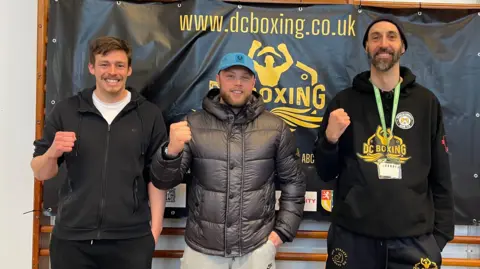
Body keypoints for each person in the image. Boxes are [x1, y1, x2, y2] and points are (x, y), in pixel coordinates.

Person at [314, 16, 454, 269]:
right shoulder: (343, 102)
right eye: (375, 37)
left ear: (403, 47)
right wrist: (329, 140)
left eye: (391, 36)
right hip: (353, 239)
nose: (383, 43)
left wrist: (440, 236)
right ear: (366, 47)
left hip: (414, 241)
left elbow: (441, 173)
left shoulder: (426, 102)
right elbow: (325, 172)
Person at [150, 52, 307, 269]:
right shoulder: (193, 124)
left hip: (256, 248)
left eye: (244, 77)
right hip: (202, 250)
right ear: (218, 79)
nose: (237, 83)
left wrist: (280, 234)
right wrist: (170, 152)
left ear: (254, 81)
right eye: (230, 76)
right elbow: (163, 182)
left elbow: (294, 184)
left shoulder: (276, 127)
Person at [31, 36, 168, 269]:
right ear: (92, 68)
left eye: (119, 65)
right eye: (104, 64)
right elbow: (41, 172)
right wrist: (52, 152)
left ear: (129, 69)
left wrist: (155, 229)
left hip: (130, 240)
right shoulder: (67, 111)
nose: (112, 72)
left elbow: (157, 177)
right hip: (72, 240)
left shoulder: (149, 115)